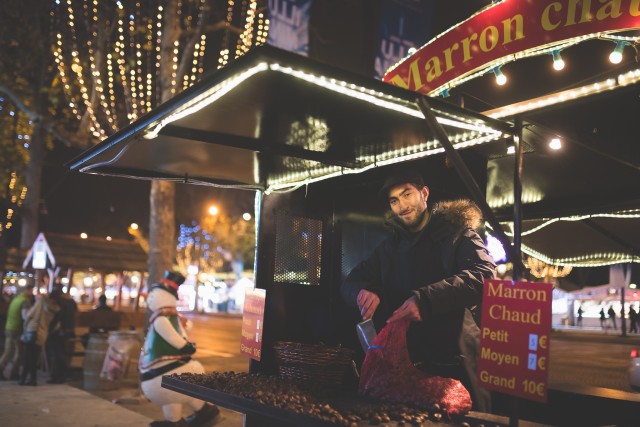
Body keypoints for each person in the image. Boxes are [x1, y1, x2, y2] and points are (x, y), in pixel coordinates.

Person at [341, 169, 496, 412]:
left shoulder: (458, 234)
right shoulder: (389, 248)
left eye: (407, 195)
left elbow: (484, 275)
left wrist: (425, 300)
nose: (402, 205)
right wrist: (362, 291)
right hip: (408, 365)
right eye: (394, 200)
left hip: (455, 361)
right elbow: (351, 281)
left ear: (424, 193)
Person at [20, 292, 60, 385]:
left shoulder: (40, 304)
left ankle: (27, 379)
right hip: (42, 334)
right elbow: (55, 325)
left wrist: (25, 327)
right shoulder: (54, 309)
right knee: (33, 357)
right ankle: (29, 379)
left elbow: (28, 316)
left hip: (32, 331)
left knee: (28, 357)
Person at [0, 285, 34, 381]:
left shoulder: (16, 300)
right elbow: (26, 316)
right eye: (31, 290)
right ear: (27, 290)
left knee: (8, 351)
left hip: (9, 327)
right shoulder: (25, 301)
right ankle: (14, 373)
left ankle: (1, 368)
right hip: (17, 329)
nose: (32, 293)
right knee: (19, 352)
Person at [46, 285, 78, 384]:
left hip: (59, 331)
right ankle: (60, 375)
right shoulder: (71, 302)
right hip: (67, 331)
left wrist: (50, 328)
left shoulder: (60, 304)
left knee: (57, 354)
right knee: (60, 353)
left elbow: (58, 317)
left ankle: (59, 376)